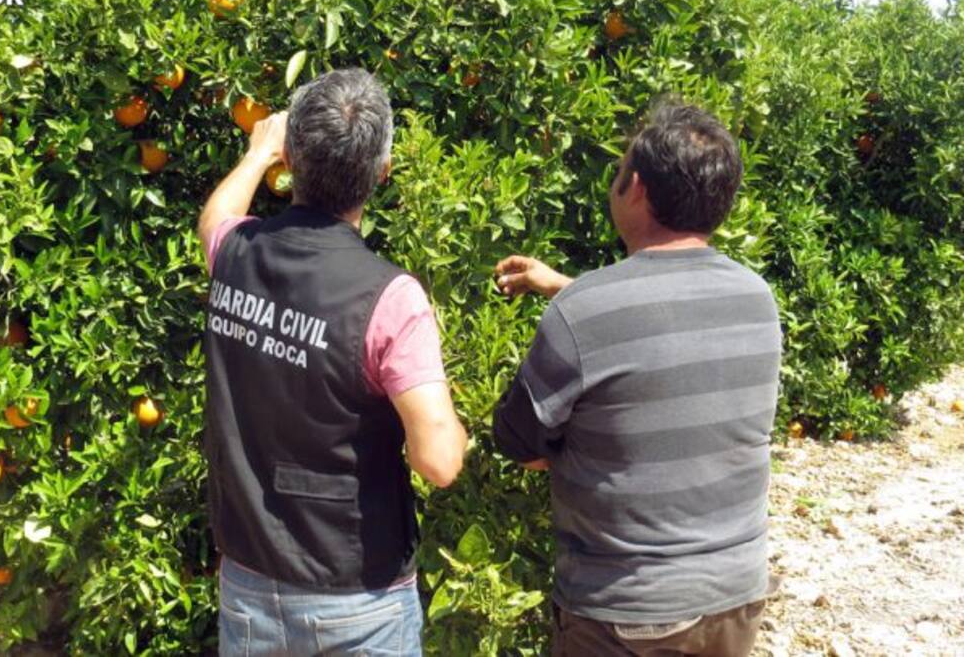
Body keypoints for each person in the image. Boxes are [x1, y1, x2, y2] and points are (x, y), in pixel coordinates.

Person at [492, 101, 782, 657]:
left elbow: (518, 441)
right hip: (736, 597)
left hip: (629, 614)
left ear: (638, 189)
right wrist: (565, 287)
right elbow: (668, 324)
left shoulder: (585, 312)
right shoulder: (755, 298)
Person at [198, 67, 468, 656]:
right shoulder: (389, 298)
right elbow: (440, 462)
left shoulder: (237, 254)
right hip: (355, 601)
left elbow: (214, 219)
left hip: (248, 584)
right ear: (383, 172)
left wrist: (256, 151)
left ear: (290, 161)